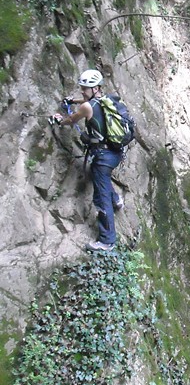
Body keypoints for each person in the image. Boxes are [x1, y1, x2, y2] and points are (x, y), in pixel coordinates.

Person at [55, 69, 124, 253]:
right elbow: (88, 103)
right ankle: (117, 200)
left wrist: (59, 120)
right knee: (102, 176)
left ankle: (107, 241)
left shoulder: (87, 107)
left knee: (101, 198)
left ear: (96, 88)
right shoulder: (107, 99)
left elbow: (72, 119)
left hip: (103, 158)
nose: (83, 91)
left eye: (86, 88)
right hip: (116, 153)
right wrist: (74, 100)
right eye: (82, 87)